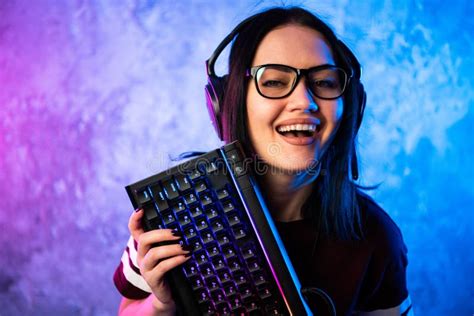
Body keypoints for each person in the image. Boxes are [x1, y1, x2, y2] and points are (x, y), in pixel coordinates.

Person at [113, 6, 412, 316]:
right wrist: (160, 306)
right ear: (230, 101)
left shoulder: (375, 235)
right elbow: (129, 308)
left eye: (324, 82)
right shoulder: (176, 210)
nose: (304, 102)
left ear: (349, 107)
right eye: (273, 82)